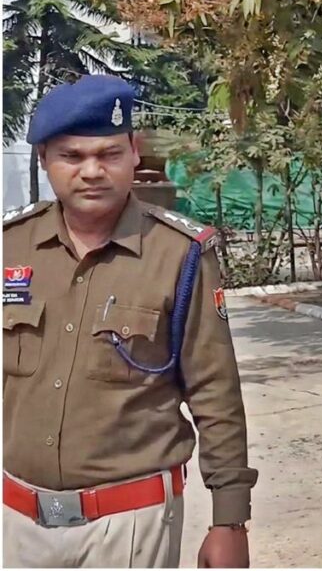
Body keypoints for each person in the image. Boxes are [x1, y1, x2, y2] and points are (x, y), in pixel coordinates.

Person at [2, 74, 256, 567]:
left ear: (134, 152)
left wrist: (229, 521)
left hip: (130, 525)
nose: (91, 171)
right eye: (72, 156)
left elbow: (215, 392)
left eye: (109, 154)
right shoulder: (10, 245)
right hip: (16, 522)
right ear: (44, 159)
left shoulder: (178, 255)